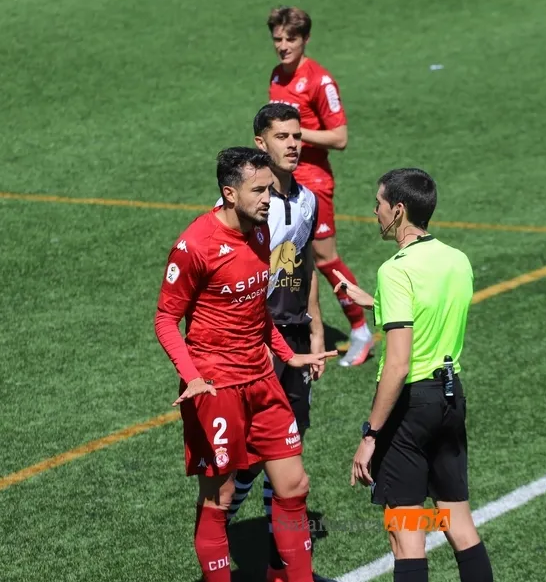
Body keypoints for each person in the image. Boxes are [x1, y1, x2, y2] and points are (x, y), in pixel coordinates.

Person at [154, 147, 337, 582]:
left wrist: (289, 355)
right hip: (216, 386)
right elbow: (165, 319)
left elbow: (257, 311)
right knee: (218, 499)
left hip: (262, 377)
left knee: (294, 485)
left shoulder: (261, 231)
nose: (268, 199)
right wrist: (192, 376)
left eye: (269, 190)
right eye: (258, 191)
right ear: (229, 193)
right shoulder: (194, 246)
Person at [335, 169, 494, 582]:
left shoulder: (395, 270)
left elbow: (399, 363)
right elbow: (430, 311)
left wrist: (370, 434)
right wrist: (376, 302)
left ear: (398, 210)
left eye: (379, 204)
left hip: (411, 408)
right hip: (450, 398)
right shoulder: (457, 259)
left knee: (406, 537)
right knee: (458, 524)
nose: (374, 211)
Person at [220, 104, 333, 582]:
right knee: (250, 457)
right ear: (260, 143)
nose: (292, 145)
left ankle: (276, 564)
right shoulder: (250, 208)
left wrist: (316, 328)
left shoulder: (307, 200)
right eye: (282, 136)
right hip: (257, 341)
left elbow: (305, 264)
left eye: (297, 136)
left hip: (293, 335)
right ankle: (216, 530)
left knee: (288, 450)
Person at [266, 5, 374, 367]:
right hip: (282, 178)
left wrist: (294, 134)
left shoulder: (320, 81)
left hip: (313, 181)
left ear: (305, 39)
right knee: (286, 256)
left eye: (290, 39)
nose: (283, 46)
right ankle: (290, 329)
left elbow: (340, 137)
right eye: (278, 39)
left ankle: (360, 329)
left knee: (325, 258)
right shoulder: (276, 77)